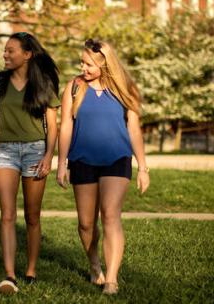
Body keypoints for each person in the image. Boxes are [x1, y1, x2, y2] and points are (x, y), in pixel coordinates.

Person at [56, 39, 150, 295]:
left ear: (104, 63)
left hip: (117, 159)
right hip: (82, 160)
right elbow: (66, 125)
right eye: (82, 62)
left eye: (88, 64)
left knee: (110, 214)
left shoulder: (125, 88)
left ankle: (112, 278)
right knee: (86, 223)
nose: (82, 67)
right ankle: (94, 263)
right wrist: (61, 162)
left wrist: (142, 167)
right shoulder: (75, 87)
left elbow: (134, 127)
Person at [0, 32, 60, 294]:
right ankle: (10, 274)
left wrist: (49, 156)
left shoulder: (44, 83)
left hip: (36, 151)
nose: (5, 55)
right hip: (6, 152)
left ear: (27, 54)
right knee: (7, 215)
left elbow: (52, 124)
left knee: (32, 216)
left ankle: (31, 270)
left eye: (10, 51)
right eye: (5, 50)